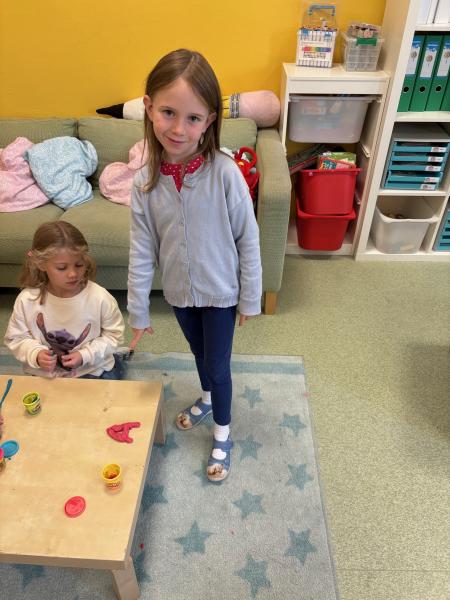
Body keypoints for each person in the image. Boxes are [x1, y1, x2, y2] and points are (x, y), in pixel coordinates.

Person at [127, 49, 262, 482]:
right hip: (180, 294)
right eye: (168, 112)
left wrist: (250, 298)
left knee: (219, 366)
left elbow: (248, 237)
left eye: (193, 118)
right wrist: (138, 310)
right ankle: (206, 397)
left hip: (221, 294)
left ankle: (223, 432)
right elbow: (142, 248)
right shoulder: (144, 182)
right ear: (149, 107)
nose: (178, 129)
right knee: (199, 355)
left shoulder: (225, 172)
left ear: (209, 121)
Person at [4, 221, 125, 379]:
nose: (73, 274)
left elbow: (115, 336)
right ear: (41, 264)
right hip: (44, 374)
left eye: (79, 265)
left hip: (92, 370)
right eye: (62, 267)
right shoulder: (27, 300)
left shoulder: (100, 298)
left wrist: (86, 355)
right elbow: (15, 338)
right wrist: (36, 354)